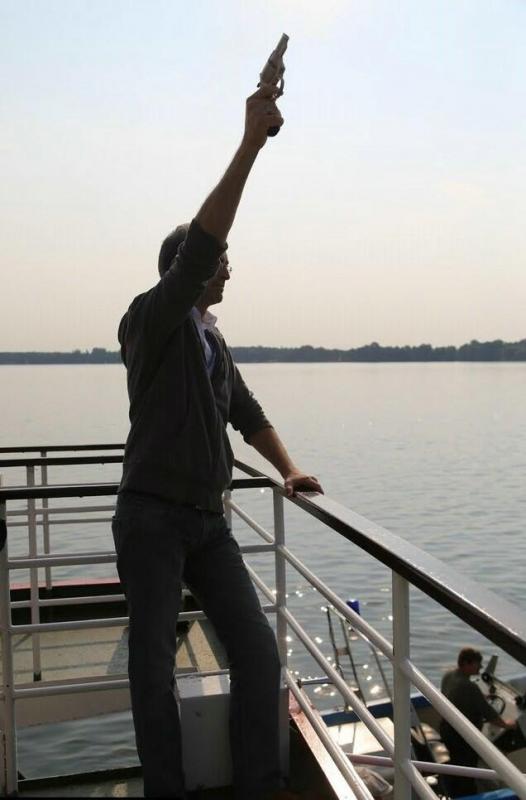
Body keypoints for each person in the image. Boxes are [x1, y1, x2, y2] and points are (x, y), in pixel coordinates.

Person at [112, 83, 323, 800]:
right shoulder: (152, 319)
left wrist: (290, 469)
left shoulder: (212, 342)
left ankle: (259, 786)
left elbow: (247, 413)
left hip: (208, 520)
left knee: (258, 652)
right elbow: (202, 248)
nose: (228, 267)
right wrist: (249, 144)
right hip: (151, 517)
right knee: (152, 669)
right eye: (220, 260)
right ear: (188, 271)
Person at [440, 647, 516, 798]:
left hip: (447, 729)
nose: (481, 667)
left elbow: (458, 694)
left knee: (458, 764)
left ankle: (456, 790)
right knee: (467, 770)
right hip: (462, 738)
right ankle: (467, 795)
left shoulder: (449, 675)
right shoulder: (469, 687)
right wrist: (507, 725)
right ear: (467, 663)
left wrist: (480, 696)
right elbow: (489, 714)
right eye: (477, 664)